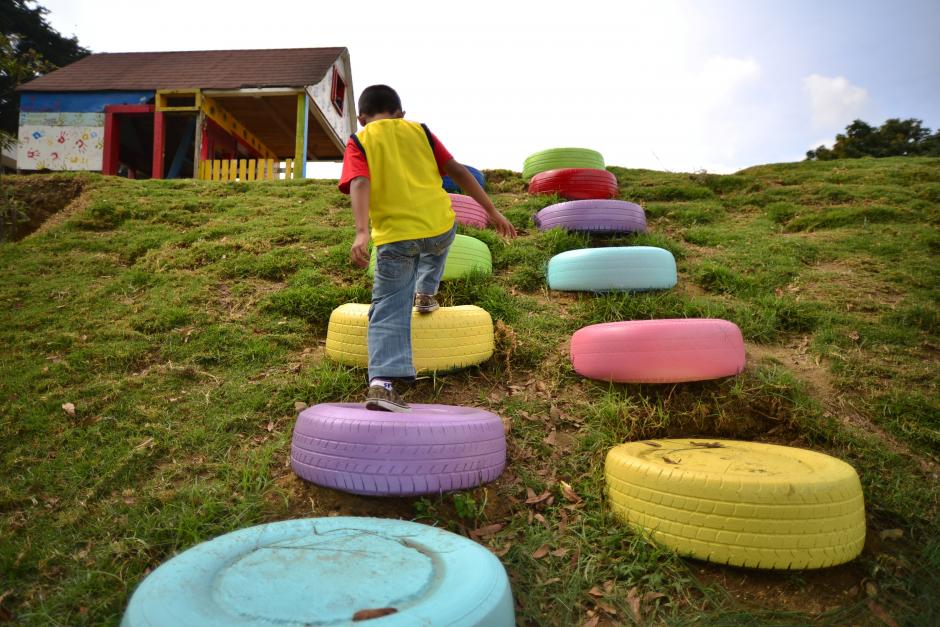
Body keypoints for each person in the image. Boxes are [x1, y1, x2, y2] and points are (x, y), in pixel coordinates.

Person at [339, 84, 517, 412]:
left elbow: (360, 182)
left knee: (389, 305)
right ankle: (425, 292)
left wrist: (362, 232)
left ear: (362, 118)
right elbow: (457, 170)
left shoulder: (359, 140)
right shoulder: (420, 131)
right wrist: (492, 211)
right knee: (438, 245)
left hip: (395, 237)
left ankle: (382, 385)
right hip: (438, 227)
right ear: (400, 114)